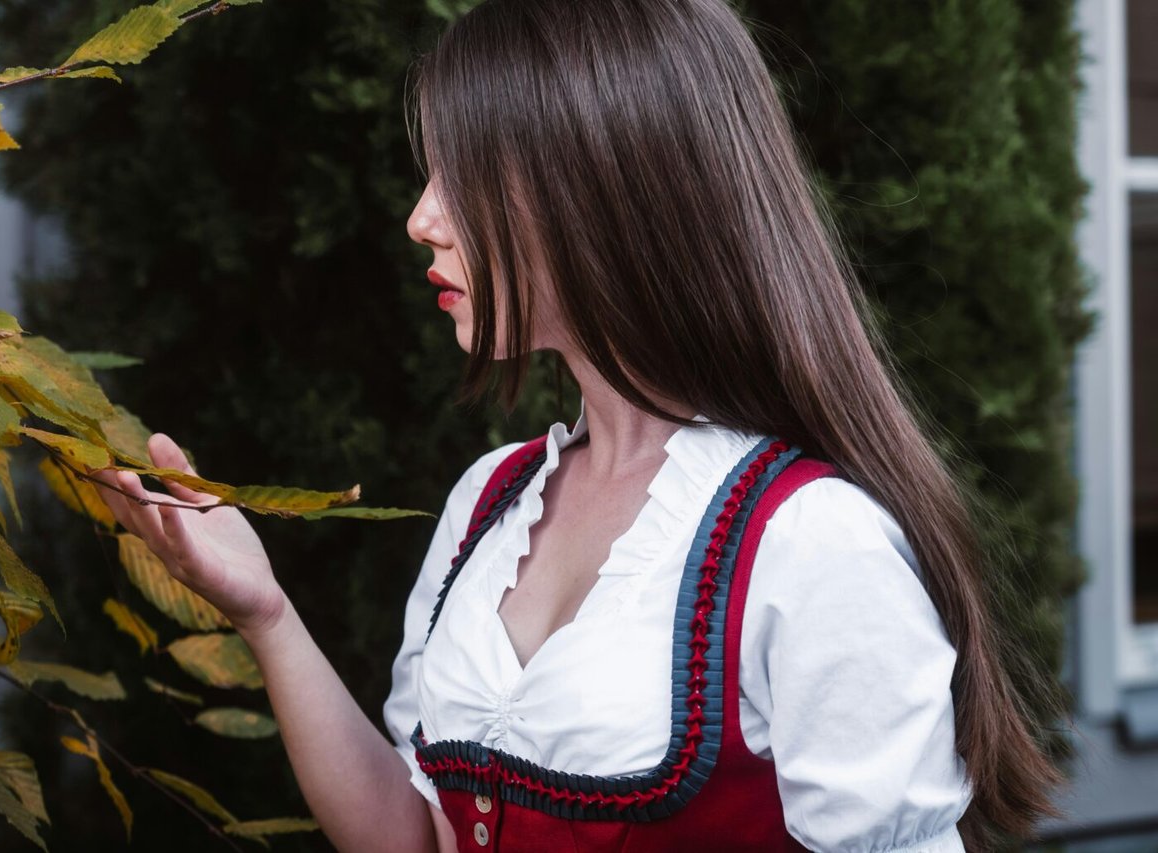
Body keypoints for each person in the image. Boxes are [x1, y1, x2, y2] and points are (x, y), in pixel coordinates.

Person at [89, 0, 1063, 849]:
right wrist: (265, 610)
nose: (421, 219)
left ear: (601, 191)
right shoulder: (491, 498)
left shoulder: (812, 543)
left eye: (461, 178)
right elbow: (410, 837)